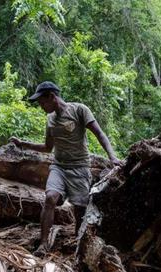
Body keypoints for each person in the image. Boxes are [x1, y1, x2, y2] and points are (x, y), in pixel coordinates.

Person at [9, 81, 122, 256]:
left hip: (80, 167)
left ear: (52, 97)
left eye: (42, 102)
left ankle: (79, 243)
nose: (41, 107)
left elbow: (99, 133)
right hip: (59, 167)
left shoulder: (79, 110)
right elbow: (47, 148)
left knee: (80, 208)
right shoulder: (50, 119)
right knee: (50, 198)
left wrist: (112, 157)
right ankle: (44, 244)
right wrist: (22, 144)